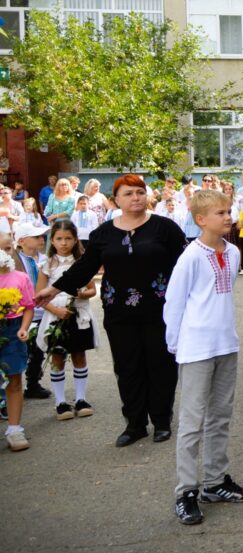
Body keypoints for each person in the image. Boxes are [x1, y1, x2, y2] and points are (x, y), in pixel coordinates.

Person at [37, 174, 187, 447]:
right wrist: (54, 289)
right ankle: (135, 423)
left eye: (140, 192)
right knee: (127, 367)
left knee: (160, 365)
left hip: (160, 310)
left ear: (147, 196)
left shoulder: (165, 229)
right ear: (115, 200)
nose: (135, 197)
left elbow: (185, 265)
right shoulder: (103, 234)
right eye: (128, 193)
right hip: (119, 313)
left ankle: (162, 421)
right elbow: (85, 268)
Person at [163, 189, 243, 525]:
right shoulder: (191, 256)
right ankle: (186, 490)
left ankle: (216, 481)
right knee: (191, 422)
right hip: (196, 347)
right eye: (220, 213)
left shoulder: (232, 252)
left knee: (220, 415)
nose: (228, 217)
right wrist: (175, 344)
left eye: (228, 211)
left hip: (226, 344)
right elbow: (175, 302)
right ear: (200, 219)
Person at [35, 220, 97, 421]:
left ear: (75, 239)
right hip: (56, 315)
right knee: (58, 357)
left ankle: (81, 398)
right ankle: (60, 402)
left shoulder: (82, 263)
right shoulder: (46, 264)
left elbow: (92, 289)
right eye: (59, 239)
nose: (64, 243)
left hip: (78, 313)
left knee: (79, 355)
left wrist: (81, 294)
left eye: (68, 238)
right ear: (52, 240)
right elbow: (40, 295)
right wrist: (56, 310)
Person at [0, 246, 35, 451]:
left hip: (12, 329)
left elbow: (28, 306)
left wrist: (23, 328)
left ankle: (14, 429)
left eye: (6, 248)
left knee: (14, 378)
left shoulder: (20, 277)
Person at [14, 221, 50, 400]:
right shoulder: (14, 261)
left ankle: (33, 382)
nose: (41, 239)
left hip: (44, 310)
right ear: (21, 241)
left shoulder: (45, 259)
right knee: (22, 348)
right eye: (36, 237)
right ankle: (13, 385)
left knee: (39, 347)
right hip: (23, 313)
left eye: (42, 236)